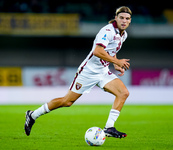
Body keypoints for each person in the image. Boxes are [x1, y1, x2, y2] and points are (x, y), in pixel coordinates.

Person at [24, 6, 132, 138]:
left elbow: (111, 51)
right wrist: (117, 61)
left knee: (123, 93)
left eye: (127, 19)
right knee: (67, 102)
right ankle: (33, 115)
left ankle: (109, 127)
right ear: (116, 18)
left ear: (130, 21)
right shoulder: (107, 30)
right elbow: (97, 51)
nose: (124, 21)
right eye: (121, 18)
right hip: (88, 71)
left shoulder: (123, 35)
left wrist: (116, 63)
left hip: (103, 72)